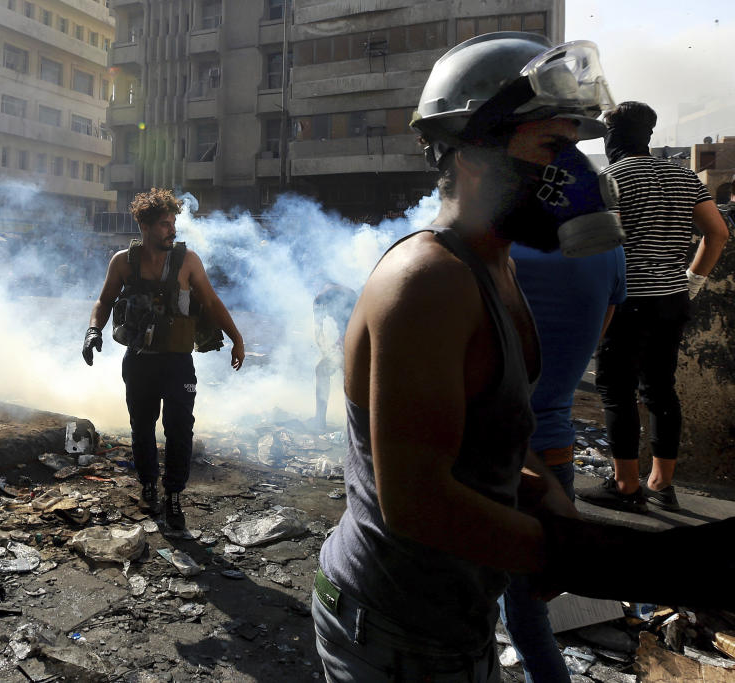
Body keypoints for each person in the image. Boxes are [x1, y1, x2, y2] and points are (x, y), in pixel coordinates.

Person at [311, 33, 735, 683]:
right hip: (392, 630)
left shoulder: (498, 267)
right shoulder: (428, 280)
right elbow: (418, 500)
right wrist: (589, 553)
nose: (576, 173)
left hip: (454, 617)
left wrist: (554, 508)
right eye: (552, 148)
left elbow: (498, 435)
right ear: (479, 151)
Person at [576, 102, 730, 514]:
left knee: (615, 389)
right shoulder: (685, 176)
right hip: (672, 299)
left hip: (627, 302)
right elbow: (717, 233)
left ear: (613, 137)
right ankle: (661, 484)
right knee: (660, 389)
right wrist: (691, 282)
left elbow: (596, 248)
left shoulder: (609, 178)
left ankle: (626, 487)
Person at [82, 188, 244, 531]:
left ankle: (173, 495)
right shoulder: (123, 262)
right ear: (144, 226)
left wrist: (237, 339)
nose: (172, 230)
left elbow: (212, 303)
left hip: (177, 363)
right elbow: (104, 301)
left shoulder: (188, 262)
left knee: (180, 430)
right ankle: (146, 486)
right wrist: (93, 331)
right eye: (164, 224)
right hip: (139, 361)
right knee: (141, 429)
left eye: (173, 223)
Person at [500, 243, 626, 682]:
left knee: (471, 613)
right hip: (554, 450)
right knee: (530, 618)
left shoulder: (495, 248)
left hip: (492, 456)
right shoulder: (609, 253)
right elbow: (597, 335)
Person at [312, 282, 356, 432]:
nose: (328, 315)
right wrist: (327, 353)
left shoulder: (348, 297)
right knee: (321, 369)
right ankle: (319, 421)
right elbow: (319, 334)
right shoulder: (318, 302)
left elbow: (355, 327)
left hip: (355, 336)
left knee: (350, 377)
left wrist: (342, 357)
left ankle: (355, 425)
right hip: (343, 338)